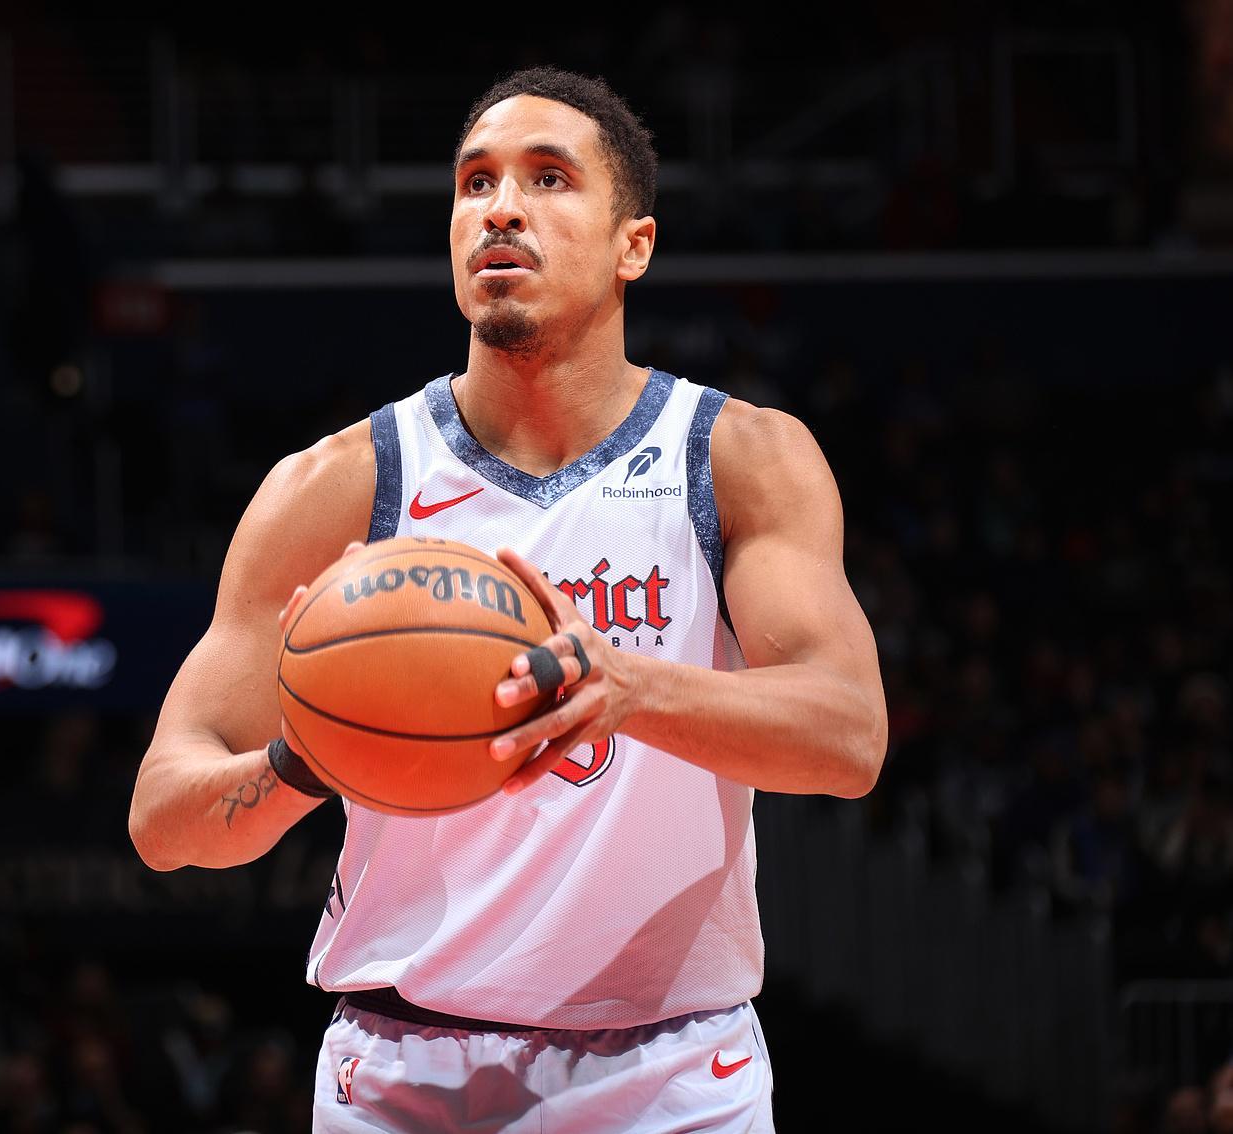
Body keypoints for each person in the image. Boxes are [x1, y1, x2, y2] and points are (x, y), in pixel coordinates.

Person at [129, 65, 887, 1133]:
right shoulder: (339, 485)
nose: (500, 208)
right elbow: (163, 820)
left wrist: (630, 689)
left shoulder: (736, 458)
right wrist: (302, 761)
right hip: (401, 1074)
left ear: (633, 245)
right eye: (474, 182)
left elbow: (848, 736)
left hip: (668, 1076)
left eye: (548, 178)